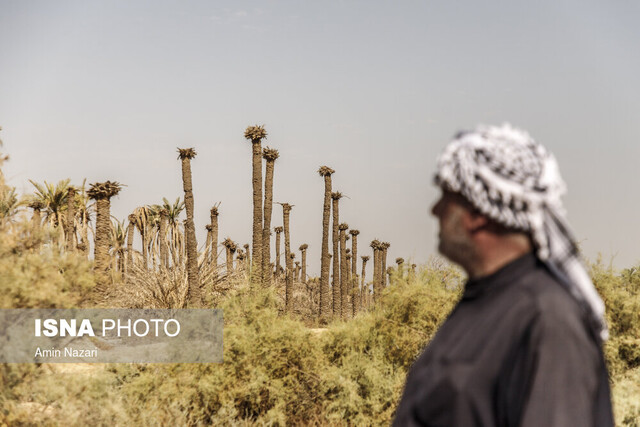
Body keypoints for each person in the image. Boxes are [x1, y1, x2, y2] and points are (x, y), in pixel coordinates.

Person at [393, 124, 613, 426]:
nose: (435, 210)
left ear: (477, 214)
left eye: (446, 196)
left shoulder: (547, 319)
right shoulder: (487, 302)